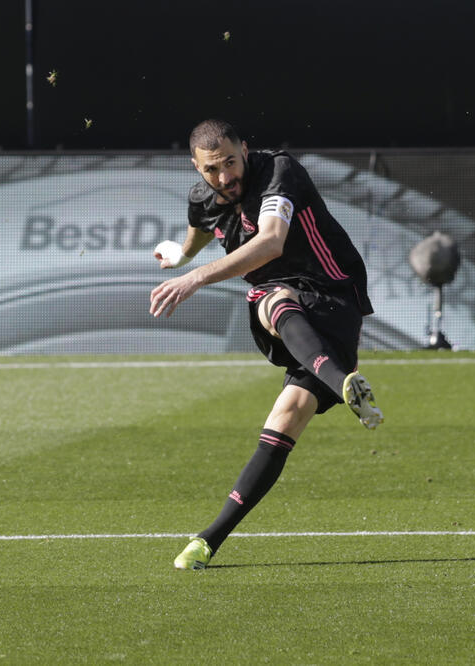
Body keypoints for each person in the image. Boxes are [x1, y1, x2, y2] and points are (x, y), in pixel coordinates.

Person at [150, 119, 383, 570]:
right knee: (285, 417)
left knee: (269, 297)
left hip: (333, 297)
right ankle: (207, 542)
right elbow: (200, 225)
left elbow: (272, 241)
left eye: (230, 162)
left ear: (245, 149)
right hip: (301, 325)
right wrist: (182, 255)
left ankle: (340, 382)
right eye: (212, 169)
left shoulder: (278, 171)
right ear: (196, 167)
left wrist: (194, 277)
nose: (224, 177)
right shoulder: (204, 196)